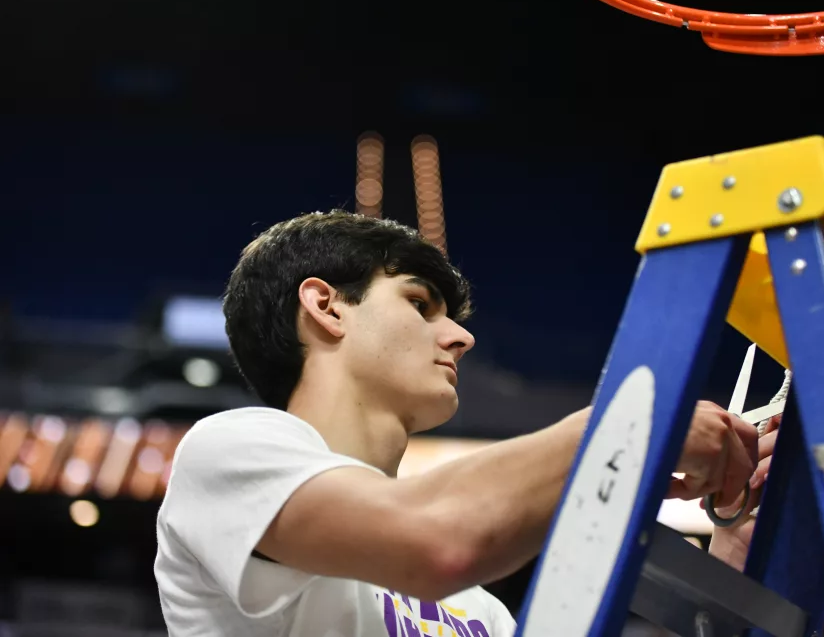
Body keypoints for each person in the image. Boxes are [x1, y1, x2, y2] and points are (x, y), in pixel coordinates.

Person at [153, 210, 776, 637]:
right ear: (326, 307)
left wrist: (732, 556)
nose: (460, 337)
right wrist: (631, 424)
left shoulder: (475, 609)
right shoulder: (230, 447)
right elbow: (435, 539)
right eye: (419, 304)